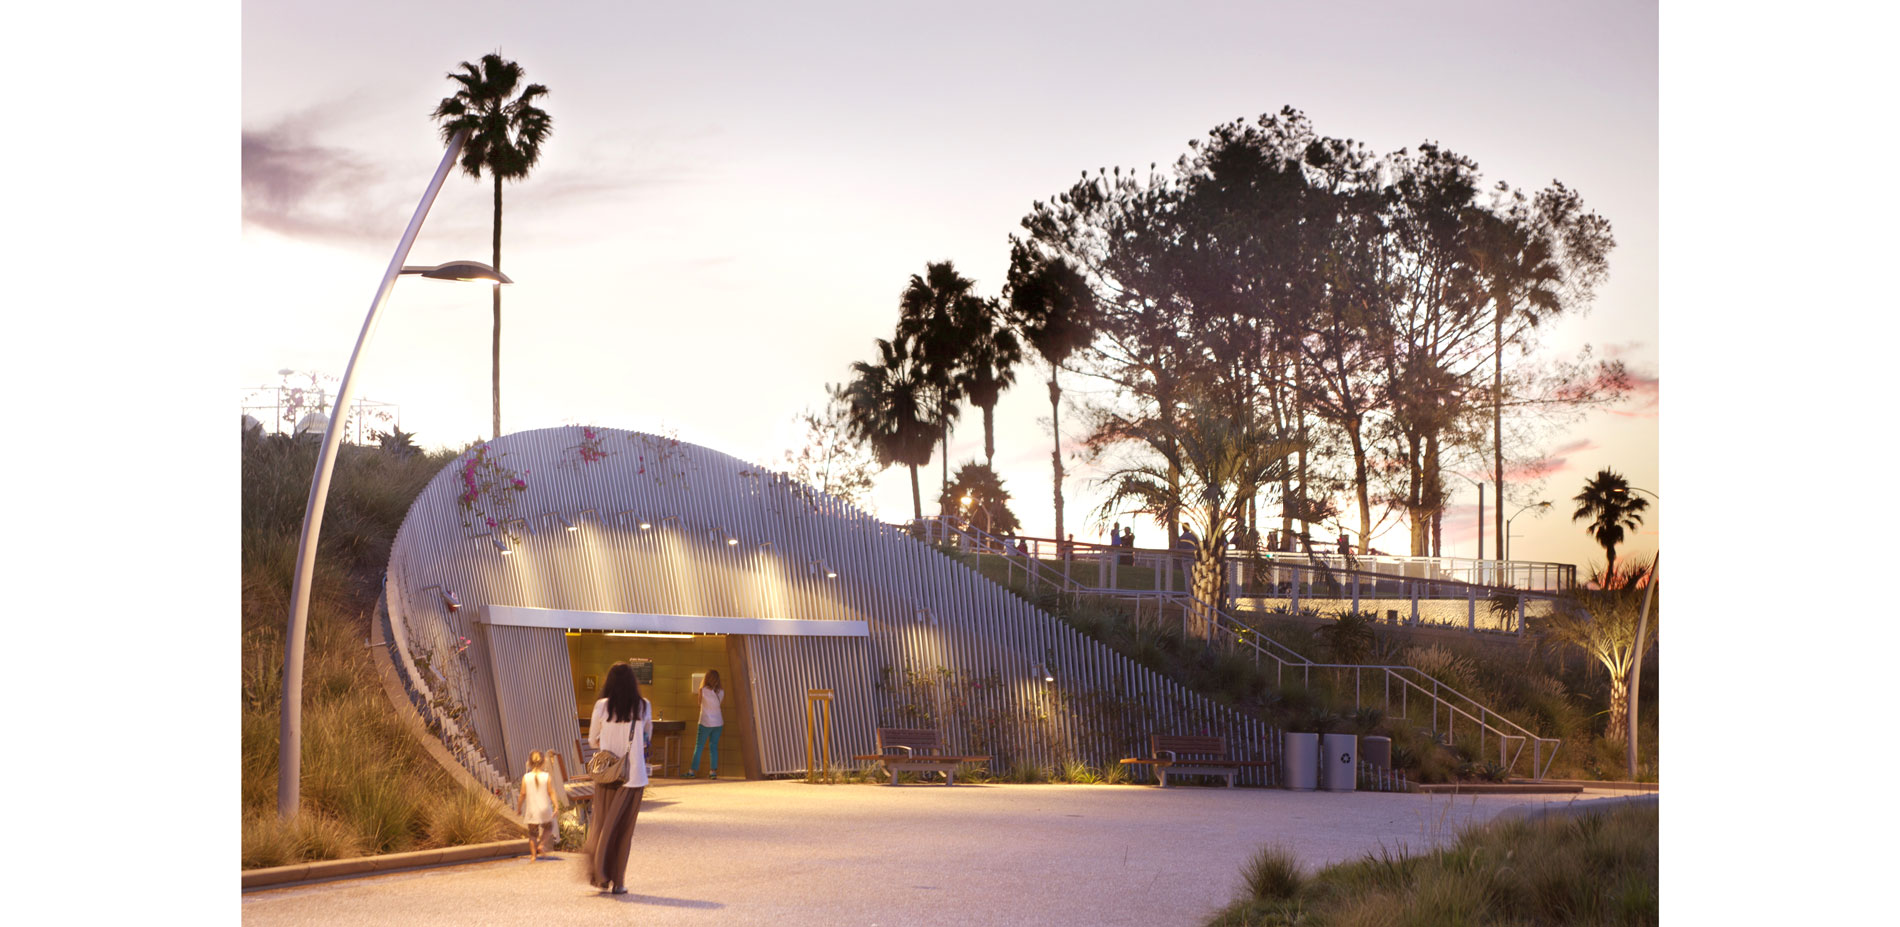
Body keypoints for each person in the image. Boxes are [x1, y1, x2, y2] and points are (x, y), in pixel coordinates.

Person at [583, 661, 652, 894]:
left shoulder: (602, 706)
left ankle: (601, 876)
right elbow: (646, 738)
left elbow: (592, 740)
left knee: (602, 826)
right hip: (633, 779)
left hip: (606, 777)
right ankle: (619, 882)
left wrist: (608, 740)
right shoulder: (643, 706)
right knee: (624, 832)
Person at [518, 750, 558, 861]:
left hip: (532, 810)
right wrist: (556, 805)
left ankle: (533, 856)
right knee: (549, 827)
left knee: (532, 834)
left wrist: (519, 808)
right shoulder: (546, 776)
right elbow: (551, 792)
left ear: (529, 763)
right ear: (543, 762)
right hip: (545, 808)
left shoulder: (526, 778)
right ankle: (541, 845)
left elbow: (522, 794)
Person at [685, 669, 725, 780]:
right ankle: (713, 772)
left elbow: (699, 703)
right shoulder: (721, 692)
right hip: (718, 723)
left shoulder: (702, 690)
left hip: (705, 722)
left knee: (699, 746)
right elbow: (718, 704)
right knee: (713, 747)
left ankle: (692, 771)